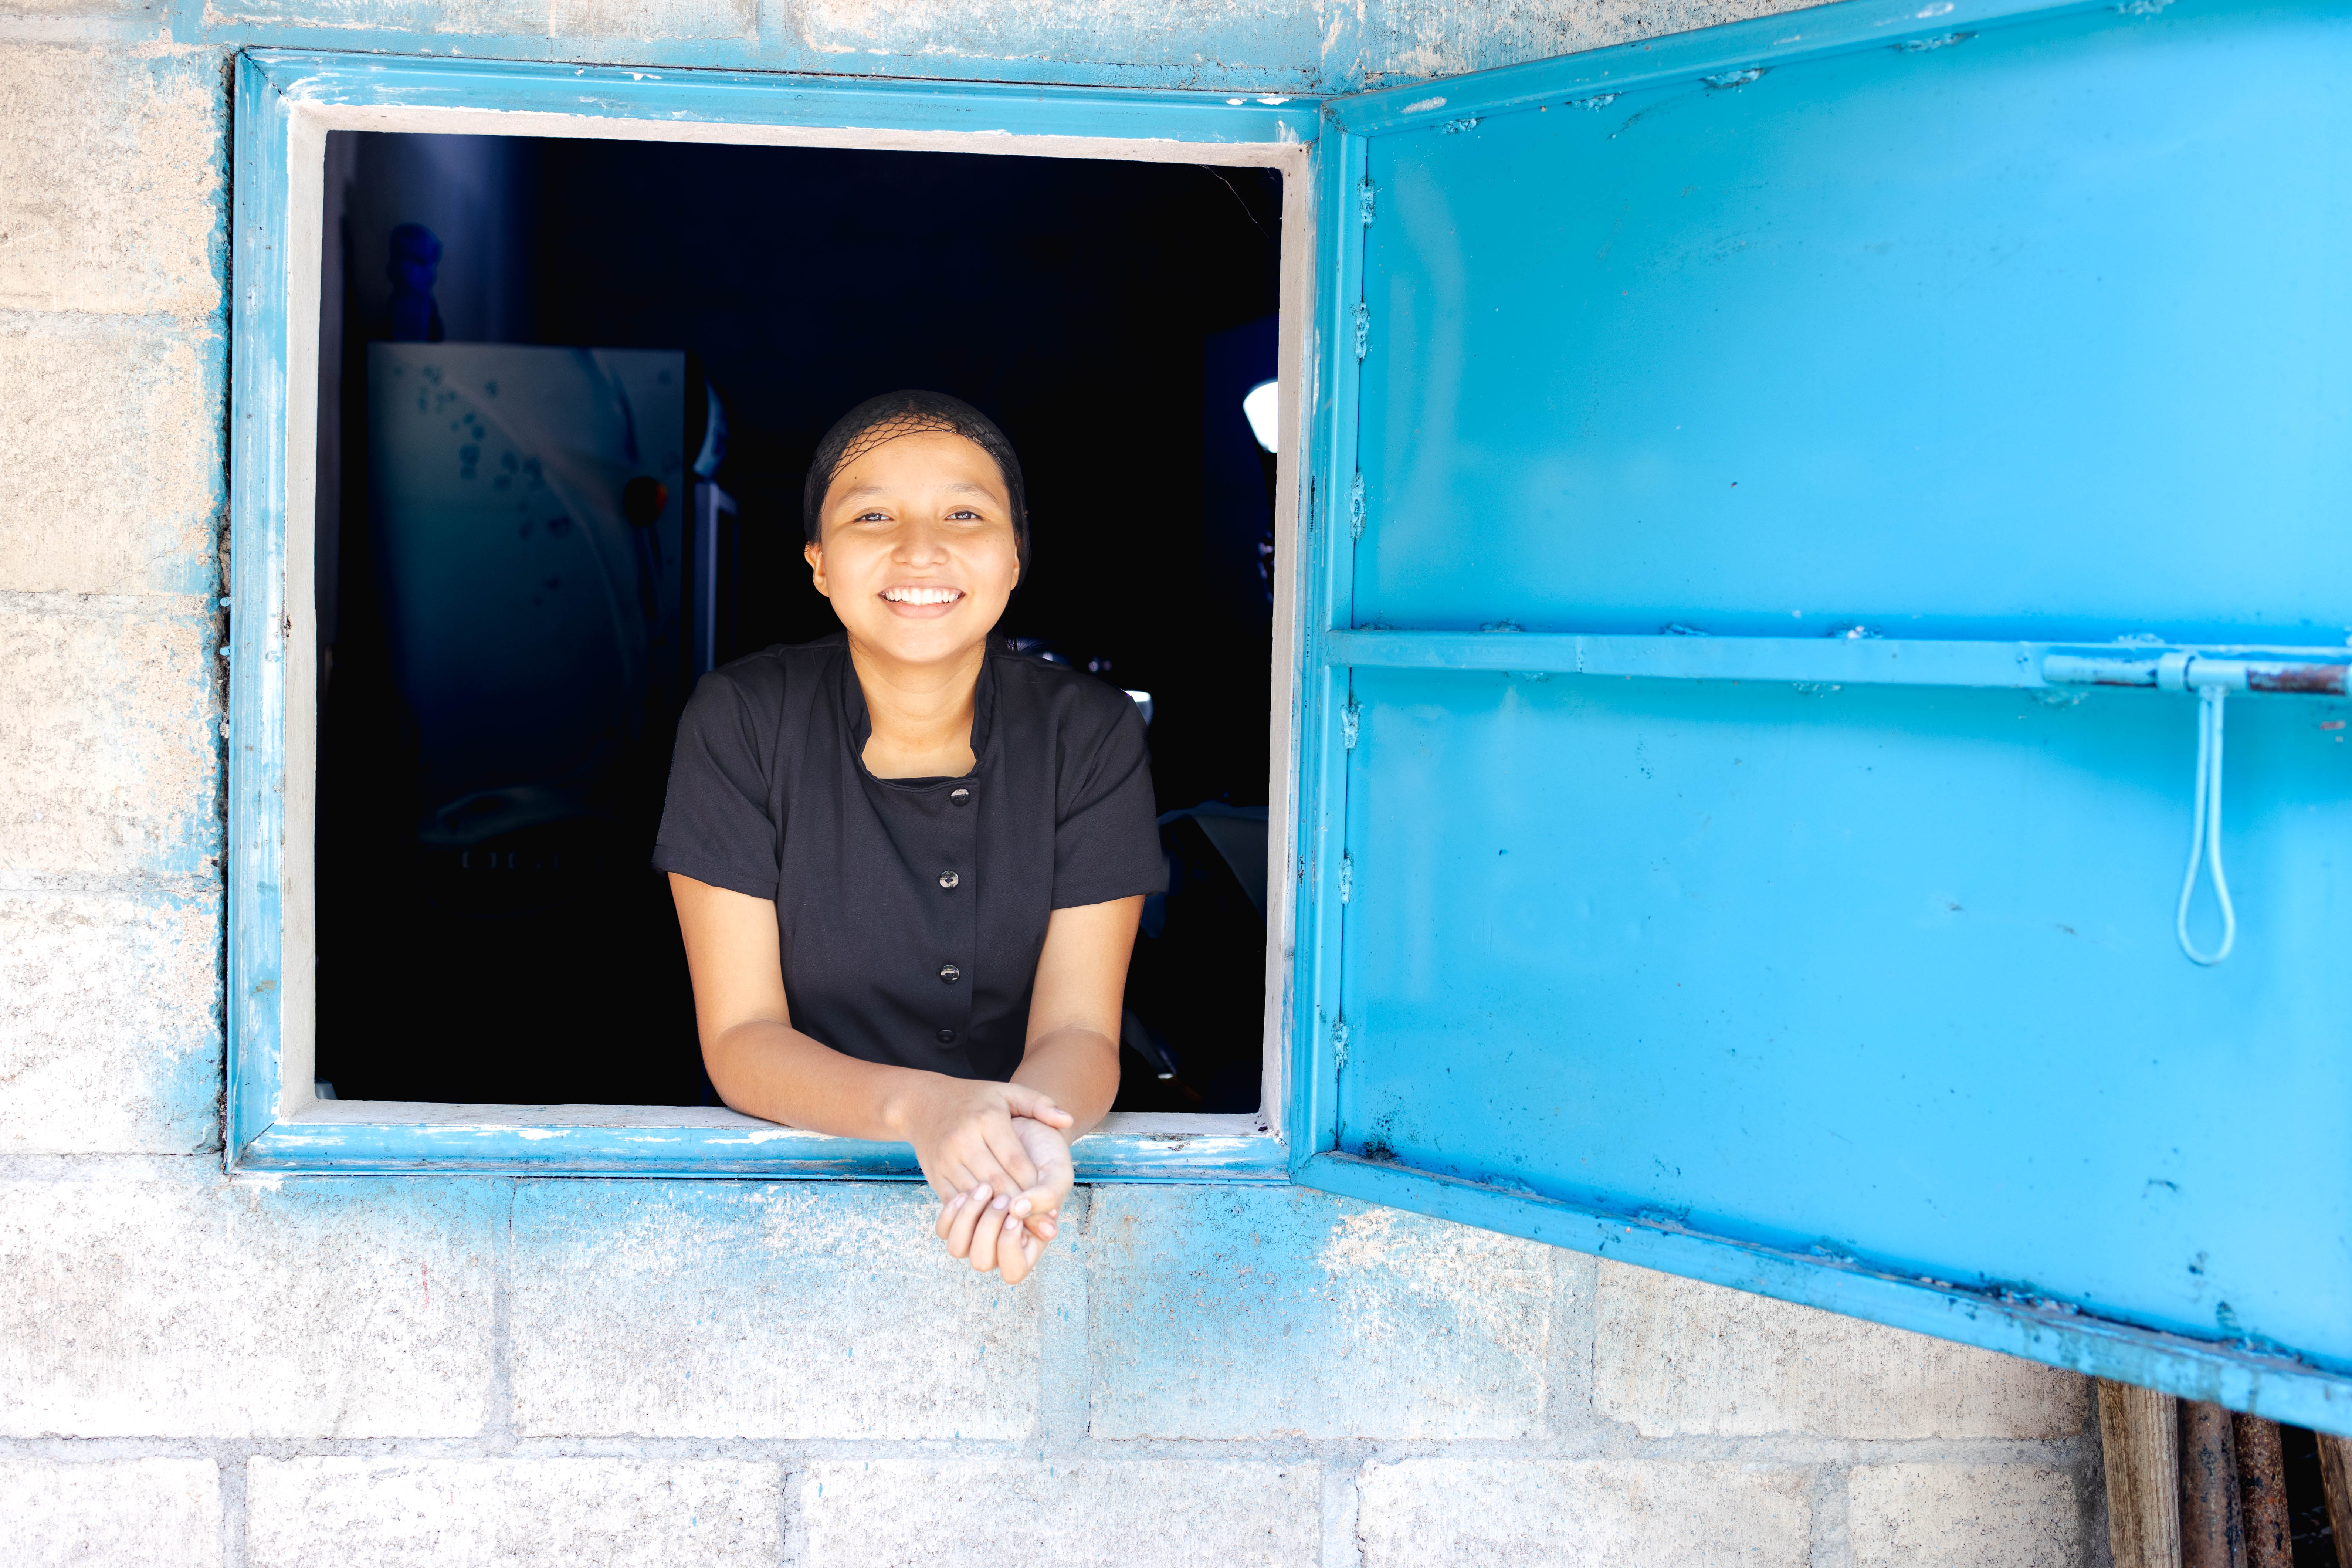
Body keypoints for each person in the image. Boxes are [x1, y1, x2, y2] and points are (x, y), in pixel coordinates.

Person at [655, 392, 1162, 1283]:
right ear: (817, 560)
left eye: (965, 514)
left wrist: (1024, 1150)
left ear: (1015, 555)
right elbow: (741, 1037)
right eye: (872, 515)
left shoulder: (1090, 731)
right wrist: (926, 1112)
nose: (919, 549)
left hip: (1012, 1180)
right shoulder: (741, 721)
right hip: (778, 1199)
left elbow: (1081, 1027)